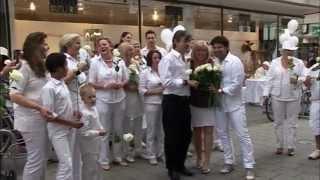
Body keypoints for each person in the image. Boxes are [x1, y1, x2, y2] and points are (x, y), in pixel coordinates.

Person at [210, 36, 256, 180]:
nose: (217, 50)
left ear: (226, 47)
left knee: (242, 135)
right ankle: (228, 161)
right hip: (219, 105)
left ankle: (249, 166)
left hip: (235, 104)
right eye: (215, 47)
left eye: (219, 47)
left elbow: (237, 84)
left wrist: (220, 90)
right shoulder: (213, 62)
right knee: (223, 134)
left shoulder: (235, 61)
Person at [9, 32, 51, 180]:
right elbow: (14, 95)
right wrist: (38, 107)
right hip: (30, 121)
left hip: (43, 119)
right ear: (34, 46)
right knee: (36, 159)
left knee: (43, 158)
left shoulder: (41, 66)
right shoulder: (22, 67)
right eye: (44, 44)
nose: (47, 47)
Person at [159, 30, 199, 180]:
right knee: (172, 136)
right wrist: (185, 82)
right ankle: (172, 168)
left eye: (189, 41)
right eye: (184, 41)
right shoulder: (168, 59)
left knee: (185, 135)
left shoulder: (185, 59)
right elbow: (165, 81)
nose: (187, 44)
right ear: (175, 42)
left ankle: (181, 165)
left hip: (184, 100)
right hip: (172, 100)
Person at [41, 53, 83, 180]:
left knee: (69, 162)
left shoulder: (62, 83)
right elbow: (49, 115)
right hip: (58, 131)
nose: (68, 68)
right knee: (67, 164)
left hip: (68, 128)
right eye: (65, 65)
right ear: (58, 68)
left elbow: (64, 106)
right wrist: (71, 123)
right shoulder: (49, 88)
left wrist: (74, 113)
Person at [89, 37, 128, 170]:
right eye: (99, 45)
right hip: (103, 100)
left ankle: (117, 156)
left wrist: (120, 84)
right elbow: (91, 82)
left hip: (120, 99)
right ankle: (103, 159)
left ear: (110, 46)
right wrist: (106, 86)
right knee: (104, 130)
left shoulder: (119, 61)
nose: (102, 47)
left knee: (118, 130)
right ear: (97, 49)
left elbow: (125, 78)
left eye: (104, 44)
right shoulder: (95, 62)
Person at [263, 36, 306, 157]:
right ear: (282, 51)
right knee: (278, 122)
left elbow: (304, 76)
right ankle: (279, 145)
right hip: (277, 96)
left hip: (293, 95)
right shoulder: (275, 62)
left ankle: (291, 146)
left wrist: (298, 80)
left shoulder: (298, 63)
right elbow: (269, 79)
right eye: (287, 50)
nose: (289, 52)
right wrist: (266, 94)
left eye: (291, 50)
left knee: (292, 122)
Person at [59, 33, 88, 180]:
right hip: (69, 103)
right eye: (77, 43)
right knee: (70, 146)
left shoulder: (75, 60)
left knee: (78, 147)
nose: (80, 46)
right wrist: (78, 69)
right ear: (68, 45)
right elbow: (62, 80)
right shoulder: (64, 60)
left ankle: (77, 176)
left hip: (79, 102)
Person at [189, 40, 215, 174]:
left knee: (209, 131)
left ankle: (207, 161)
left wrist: (215, 87)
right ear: (194, 51)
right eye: (198, 50)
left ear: (207, 52)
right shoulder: (189, 63)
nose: (200, 53)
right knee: (197, 132)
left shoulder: (211, 63)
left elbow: (218, 80)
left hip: (208, 102)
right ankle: (199, 157)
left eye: (203, 50)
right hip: (194, 101)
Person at [119, 42, 144, 163]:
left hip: (137, 97)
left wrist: (138, 85)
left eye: (131, 50)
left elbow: (141, 78)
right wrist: (126, 87)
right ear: (121, 52)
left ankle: (138, 150)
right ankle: (126, 151)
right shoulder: (118, 64)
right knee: (127, 126)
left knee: (138, 124)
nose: (130, 52)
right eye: (127, 50)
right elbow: (117, 80)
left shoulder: (136, 63)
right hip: (125, 97)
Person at [139, 50, 164, 165]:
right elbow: (142, 90)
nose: (157, 60)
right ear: (150, 59)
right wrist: (156, 91)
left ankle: (160, 153)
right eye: (154, 58)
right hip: (151, 104)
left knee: (161, 130)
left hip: (164, 103)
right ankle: (151, 154)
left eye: (159, 57)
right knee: (151, 130)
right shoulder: (145, 72)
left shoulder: (164, 72)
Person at [78, 84, 106, 180]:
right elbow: (83, 132)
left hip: (96, 143)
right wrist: (98, 133)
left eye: (94, 96)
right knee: (89, 167)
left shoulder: (94, 108)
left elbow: (98, 122)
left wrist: (101, 128)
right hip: (88, 146)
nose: (93, 99)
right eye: (89, 97)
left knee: (97, 165)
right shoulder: (84, 113)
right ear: (82, 98)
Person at [305, 60, 320, 160]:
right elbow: (307, 85)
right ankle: (318, 149)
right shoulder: (314, 67)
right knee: (316, 126)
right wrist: (307, 81)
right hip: (316, 101)